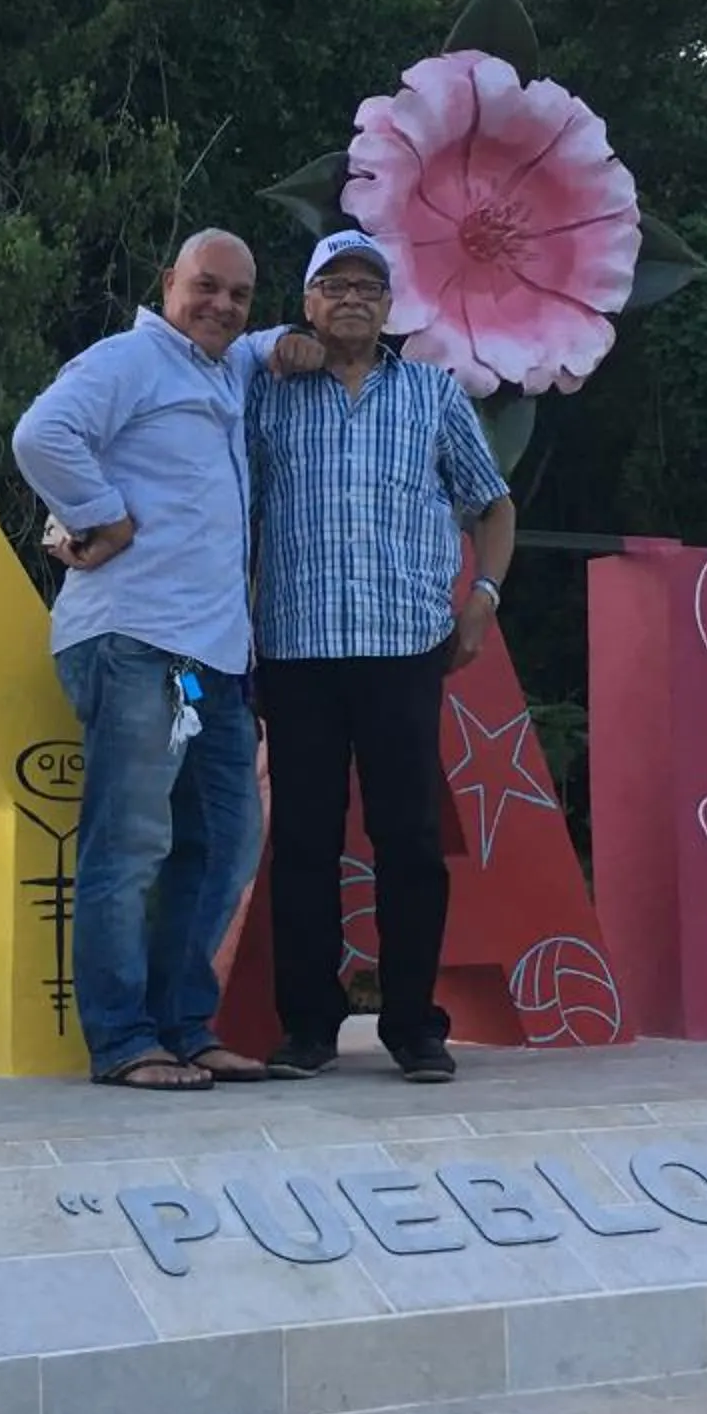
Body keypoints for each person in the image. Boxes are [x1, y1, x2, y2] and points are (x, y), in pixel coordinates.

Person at [10, 230, 276, 1090]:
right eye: (207, 286)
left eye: (239, 295)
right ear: (169, 283)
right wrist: (101, 513)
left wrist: (288, 340)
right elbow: (42, 434)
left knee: (226, 842)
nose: (223, 306)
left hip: (211, 660)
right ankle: (123, 1039)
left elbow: (264, 344)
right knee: (129, 846)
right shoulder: (129, 358)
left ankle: (185, 1026)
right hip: (134, 642)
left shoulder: (225, 368)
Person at [251, 230, 516, 1083]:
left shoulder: (434, 395)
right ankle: (308, 1026)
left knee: (407, 841)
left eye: (369, 283)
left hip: (406, 651)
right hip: (296, 649)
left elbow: (493, 504)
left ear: (391, 306)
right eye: (334, 283)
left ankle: (412, 1025)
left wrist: (484, 600)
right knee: (301, 844)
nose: (353, 296)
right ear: (307, 303)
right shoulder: (270, 394)